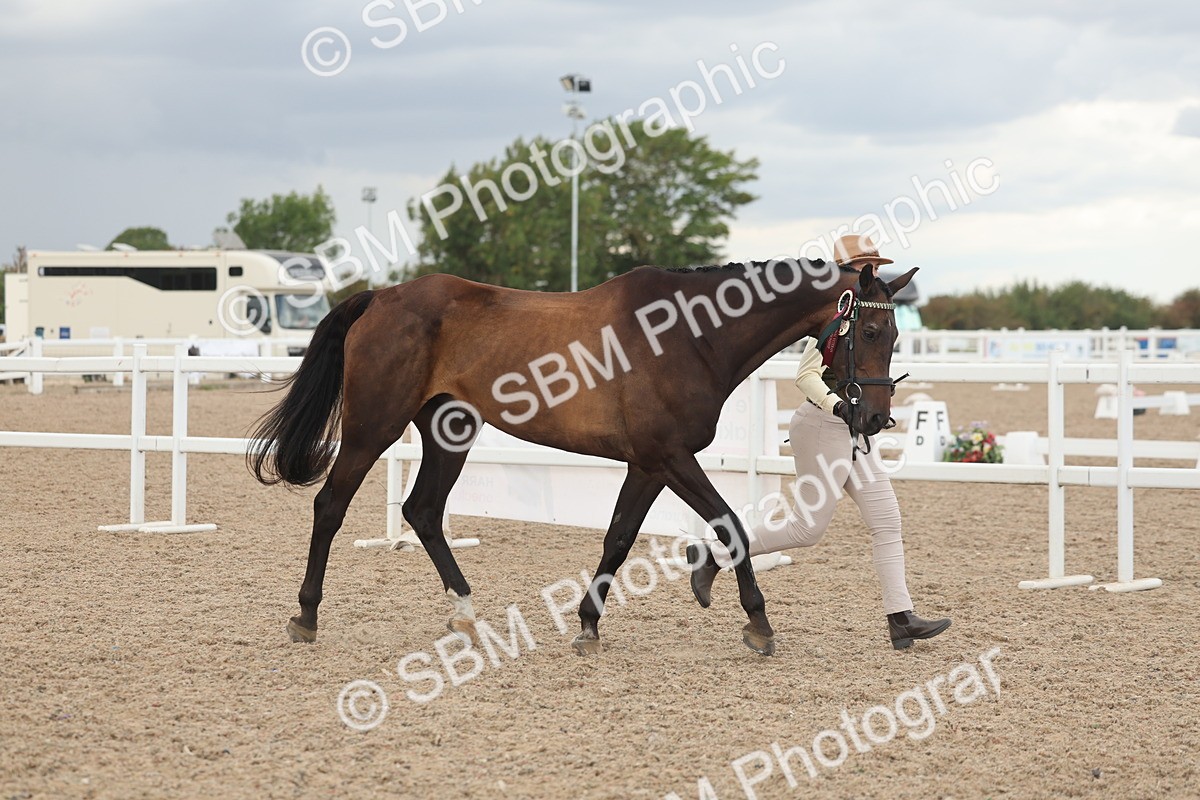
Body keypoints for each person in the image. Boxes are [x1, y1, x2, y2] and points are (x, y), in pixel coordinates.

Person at [687, 234, 951, 650]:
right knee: (806, 529)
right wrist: (837, 407)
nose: (875, 273)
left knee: (887, 522)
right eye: (867, 266)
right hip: (822, 426)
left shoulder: (864, 310)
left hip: (853, 433)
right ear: (849, 271)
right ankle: (714, 556)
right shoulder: (832, 318)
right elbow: (805, 376)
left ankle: (900, 618)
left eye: (875, 267)